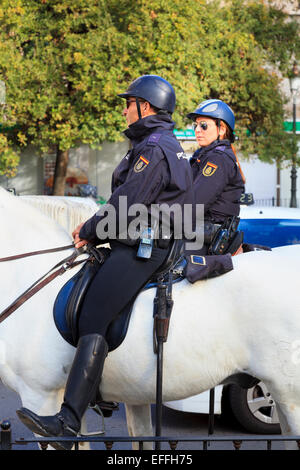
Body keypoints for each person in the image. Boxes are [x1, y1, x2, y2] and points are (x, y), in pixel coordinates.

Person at [17, 75, 194, 450]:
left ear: (145, 107)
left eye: (128, 103)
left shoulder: (155, 148)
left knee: (94, 316)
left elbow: (128, 202)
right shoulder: (156, 142)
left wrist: (92, 229)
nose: (124, 109)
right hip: (139, 238)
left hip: (146, 245)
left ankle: (67, 423)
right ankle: (98, 388)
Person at [186, 99, 245, 256]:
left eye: (203, 125)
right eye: (195, 125)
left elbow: (195, 202)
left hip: (207, 239)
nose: (197, 130)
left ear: (221, 129)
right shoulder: (203, 156)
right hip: (198, 233)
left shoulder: (218, 158)